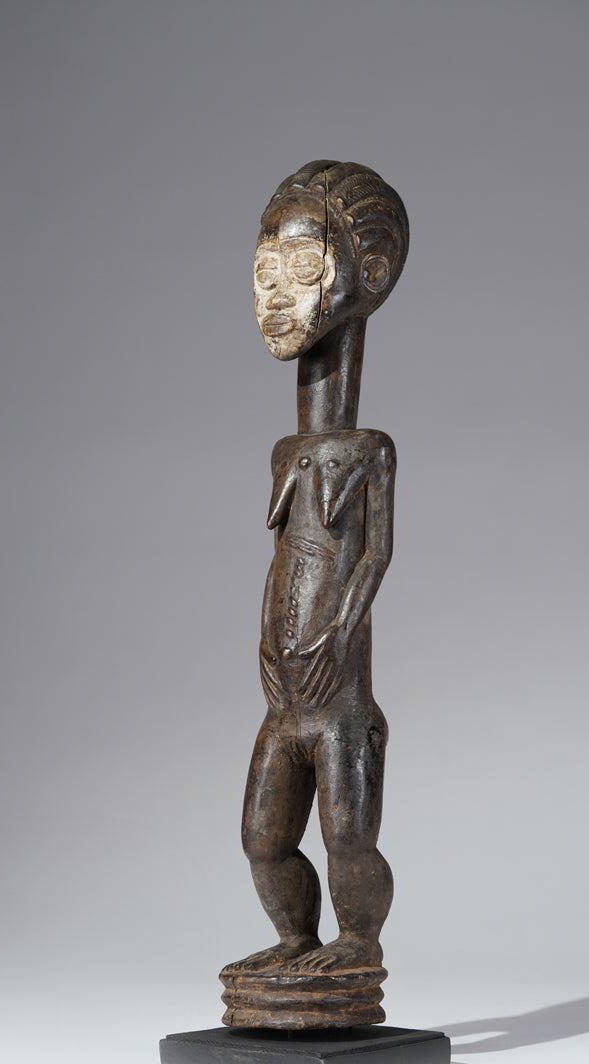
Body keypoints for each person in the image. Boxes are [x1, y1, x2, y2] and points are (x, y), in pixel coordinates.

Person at [223, 161, 409, 980]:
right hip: (284, 697)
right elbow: (285, 558)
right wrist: (267, 645)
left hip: (338, 705)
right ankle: (297, 939)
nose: (273, 291)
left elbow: (376, 552)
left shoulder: (369, 451)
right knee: (262, 840)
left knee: (347, 837)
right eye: (265, 267)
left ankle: (358, 945)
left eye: (302, 266)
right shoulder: (286, 450)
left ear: (370, 274)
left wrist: (338, 630)